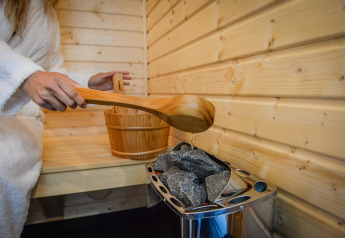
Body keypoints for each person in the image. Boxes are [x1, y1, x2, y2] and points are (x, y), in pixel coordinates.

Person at [0, 0, 131, 236]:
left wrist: (89, 82)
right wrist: (26, 77)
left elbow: (51, 69)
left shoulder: (48, 14)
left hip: (23, 118)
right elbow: (35, 74)